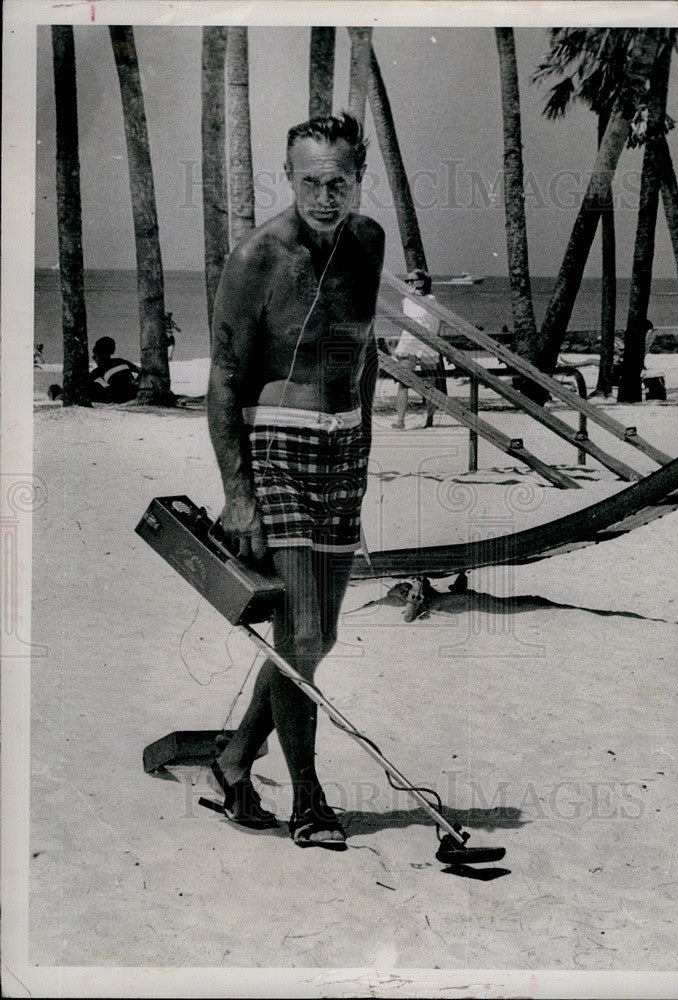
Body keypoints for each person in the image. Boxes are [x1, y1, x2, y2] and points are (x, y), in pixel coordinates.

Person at [206, 112, 385, 848]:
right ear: (289, 176)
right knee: (302, 628)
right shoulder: (258, 257)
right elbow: (221, 380)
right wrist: (239, 495)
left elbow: (364, 352)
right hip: (275, 445)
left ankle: (233, 759)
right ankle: (309, 798)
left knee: (317, 638)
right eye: (309, 181)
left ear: (356, 179)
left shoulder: (368, 244)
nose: (323, 195)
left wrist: (365, 442)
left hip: (343, 451)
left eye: (336, 181)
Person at [392, 269, 442, 429]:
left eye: (411, 280)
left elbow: (436, 322)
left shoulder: (431, 299)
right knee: (403, 382)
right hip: (409, 342)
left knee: (430, 383)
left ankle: (430, 419)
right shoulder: (405, 300)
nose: (408, 284)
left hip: (426, 343)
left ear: (421, 282)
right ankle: (400, 421)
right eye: (407, 281)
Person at [89, 336, 140, 403]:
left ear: (97, 356)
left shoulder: (97, 372)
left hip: (118, 398)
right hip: (133, 393)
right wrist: (136, 383)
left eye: (94, 357)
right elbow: (142, 371)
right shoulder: (121, 361)